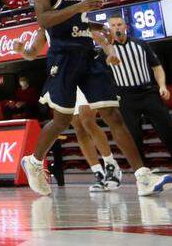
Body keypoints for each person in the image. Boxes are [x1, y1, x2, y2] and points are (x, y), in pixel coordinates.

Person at [19, 0, 172, 197]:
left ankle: (142, 176)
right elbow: (44, 19)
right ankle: (34, 162)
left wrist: (93, 25)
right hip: (64, 56)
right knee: (62, 120)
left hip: (87, 54)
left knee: (113, 116)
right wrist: (80, 7)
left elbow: (75, 18)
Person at [15, 29, 124, 193]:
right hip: (64, 75)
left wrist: (109, 50)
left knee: (87, 120)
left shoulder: (75, 17)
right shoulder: (45, 27)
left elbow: (100, 38)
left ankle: (111, 164)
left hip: (85, 71)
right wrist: (22, 50)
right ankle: (98, 173)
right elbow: (31, 53)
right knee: (78, 127)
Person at [106, 16, 172, 188]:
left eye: (119, 24)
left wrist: (162, 86)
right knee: (134, 139)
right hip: (125, 97)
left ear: (126, 26)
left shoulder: (141, 44)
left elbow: (156, 67)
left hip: (148, 93)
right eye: (113, 25)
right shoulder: (106, 51)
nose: (117, 27)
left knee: (170, 134)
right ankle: (144, 180)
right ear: (109, 29)